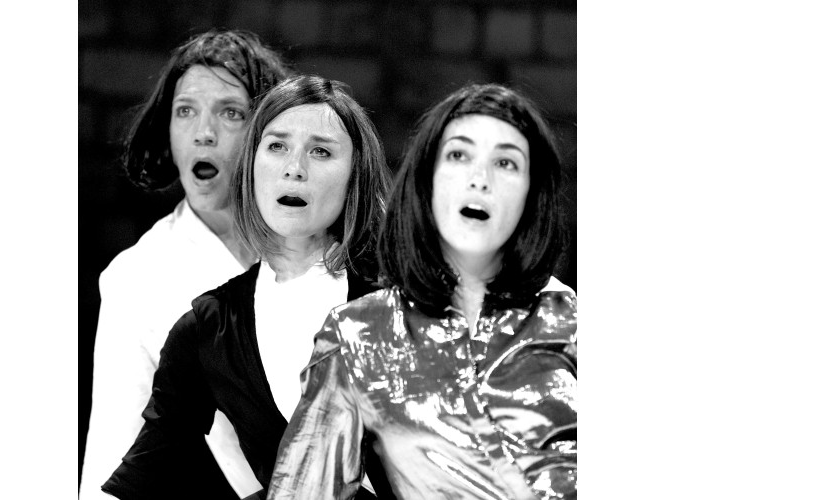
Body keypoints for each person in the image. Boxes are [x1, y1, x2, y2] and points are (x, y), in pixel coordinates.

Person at [267, 83, 577, 500]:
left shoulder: (571, 319)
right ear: (426, 182)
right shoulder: (359, 333)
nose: (479, 180)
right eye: (458, 156)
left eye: (505, 163)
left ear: (531, 193)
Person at [101, 74, 393, 500]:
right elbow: (145, 472)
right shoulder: (209, 326)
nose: (295, 167)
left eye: (321, 151)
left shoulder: (402, 305)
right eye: (276, 146)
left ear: (355, 175)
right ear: (251, 166)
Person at [81, 29, 292, 500]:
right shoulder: (137, 278)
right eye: (186, 111)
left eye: (230, 112)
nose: (203, 132)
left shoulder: (319, 248)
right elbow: (112, 458)